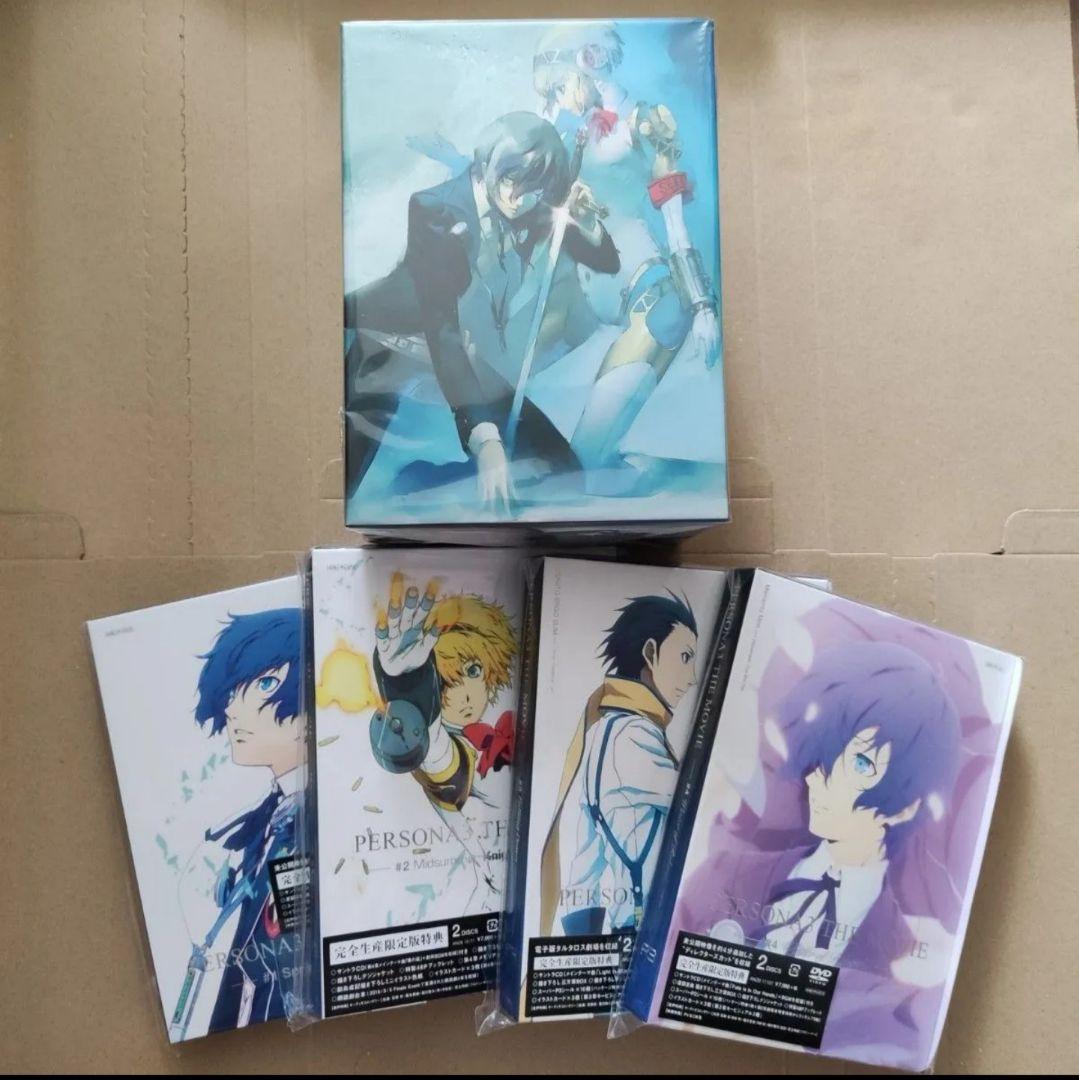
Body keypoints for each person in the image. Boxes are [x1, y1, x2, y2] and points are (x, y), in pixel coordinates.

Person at [345, 112, 620, 511]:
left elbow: (605, 261)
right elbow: (442, 330)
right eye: (511, 181)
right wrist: (487, 441)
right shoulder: (435, 210)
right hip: (395, 342)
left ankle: (425, 479)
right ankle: (418, 485)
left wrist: (588, 220)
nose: (520, 198)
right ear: (488, 164)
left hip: (466, 350)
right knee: (345, 471)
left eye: (534, 189)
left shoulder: (531, 205)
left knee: (563, 473)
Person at [532, 22, 723, 476]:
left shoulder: (645, 121)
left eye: (560, 86)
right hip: (574, 287)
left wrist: (701, 303)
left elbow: (673, 218)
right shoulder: (566, 127)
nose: (556, 98)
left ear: (590, 60)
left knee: (585, 458)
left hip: (639, 281)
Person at [540, 593, 699, 936]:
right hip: (652, 927)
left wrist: (585, 950)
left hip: (625, 931)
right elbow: (703, 812)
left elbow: (584, 866)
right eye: (685, 657)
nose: (693, 677)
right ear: (651, 654)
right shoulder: (635, 736)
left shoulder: (600, 732)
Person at [176, 608, 303, 1037]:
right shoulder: (252, 826)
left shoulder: (322, 820)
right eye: (232, 692)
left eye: (266, 685)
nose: (234, 710)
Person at [369, 571, 519, 911]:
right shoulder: (443, 752)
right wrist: (412, 691)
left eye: (473, 672)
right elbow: (444, 762)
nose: (463, 694)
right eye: (446, 682)